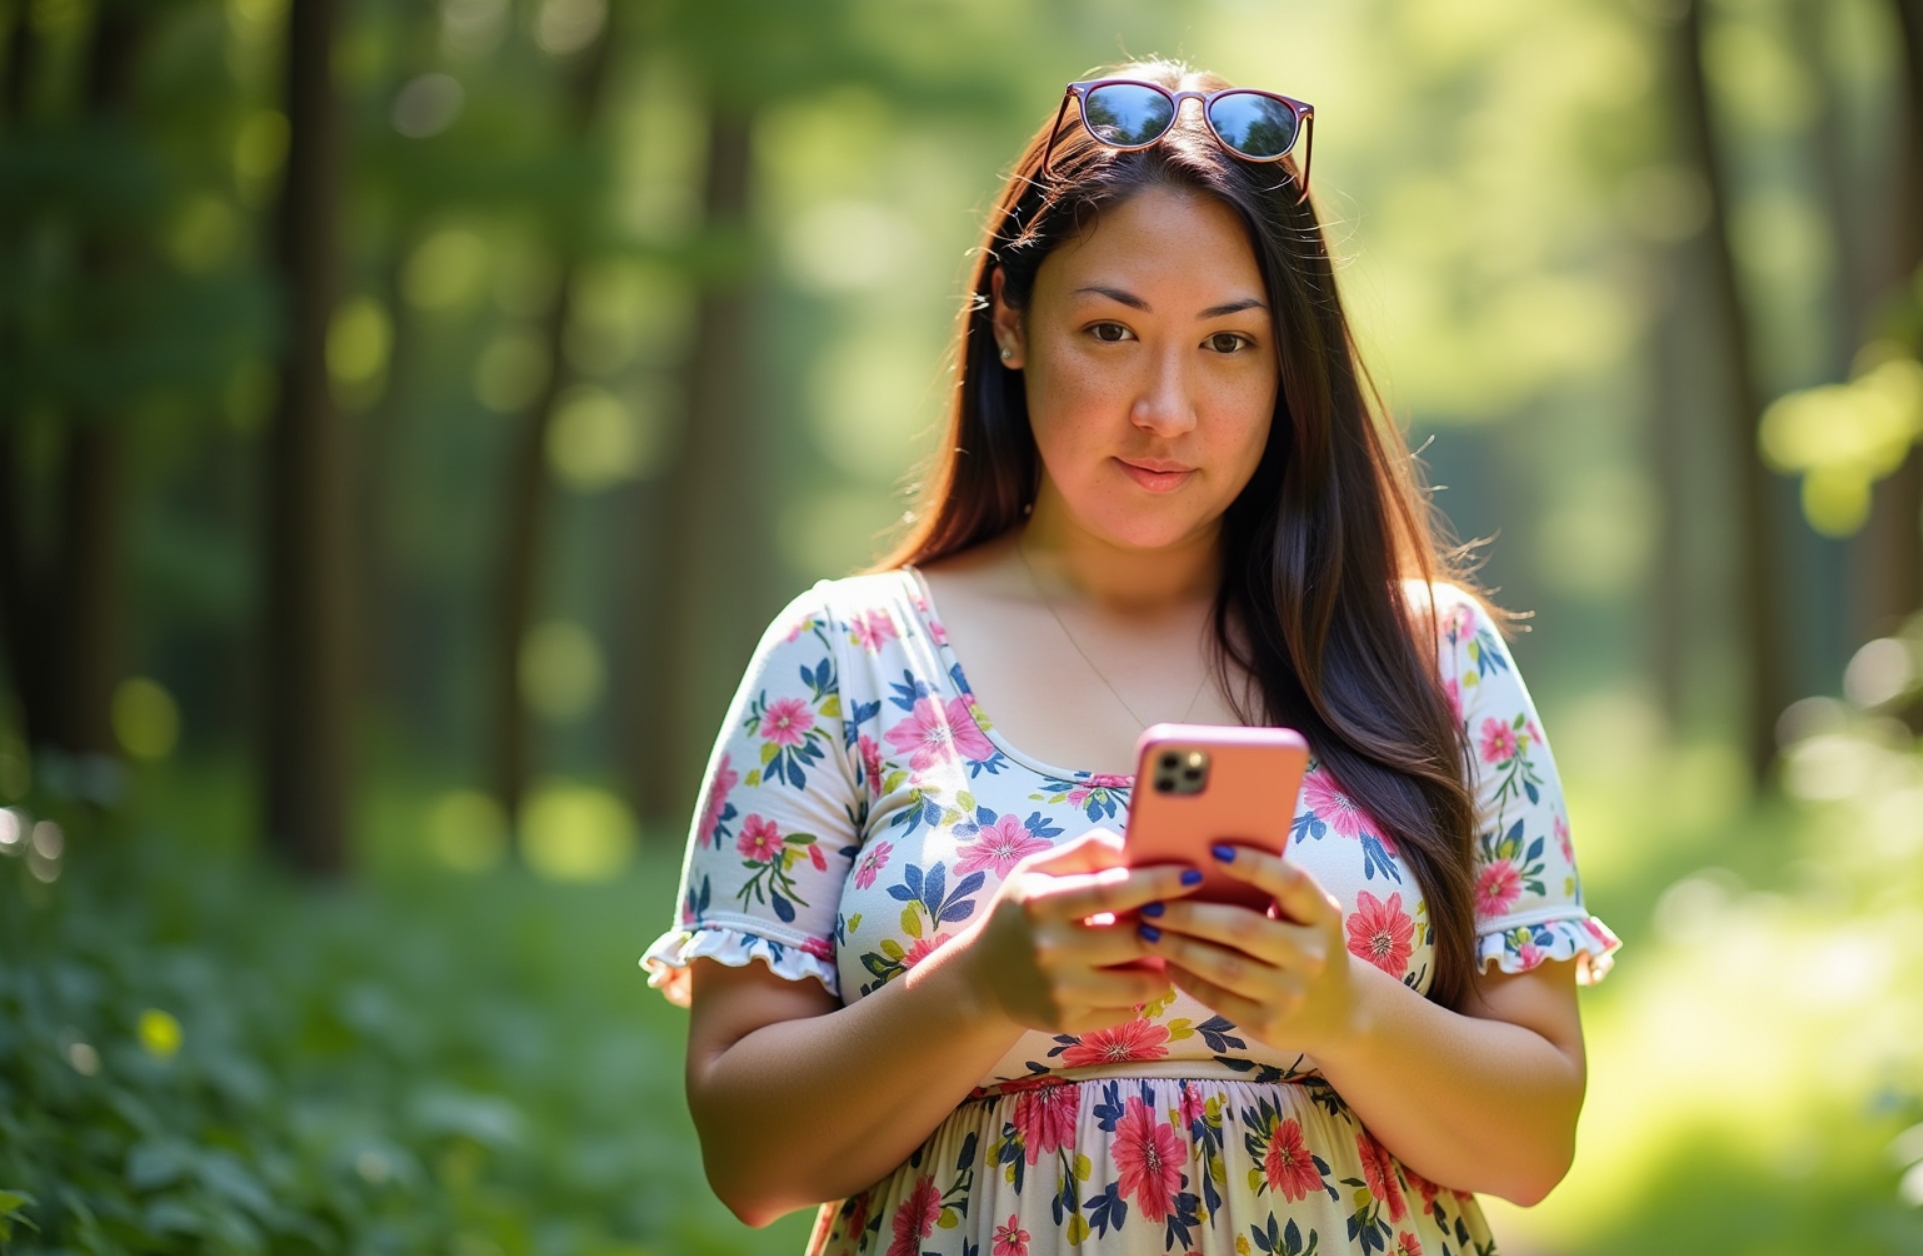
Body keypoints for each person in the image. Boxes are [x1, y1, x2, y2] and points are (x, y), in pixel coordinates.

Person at [639, 59, 1621, 1256]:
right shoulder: (840, 659)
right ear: (1011, 321)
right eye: (1110, 331)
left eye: (1228, 345)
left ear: (1287, 372)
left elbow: (1533, 1147)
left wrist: (1341, 1008)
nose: (1167, 407)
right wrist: (975, 991)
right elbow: (750, 1161)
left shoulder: (1432, 658)